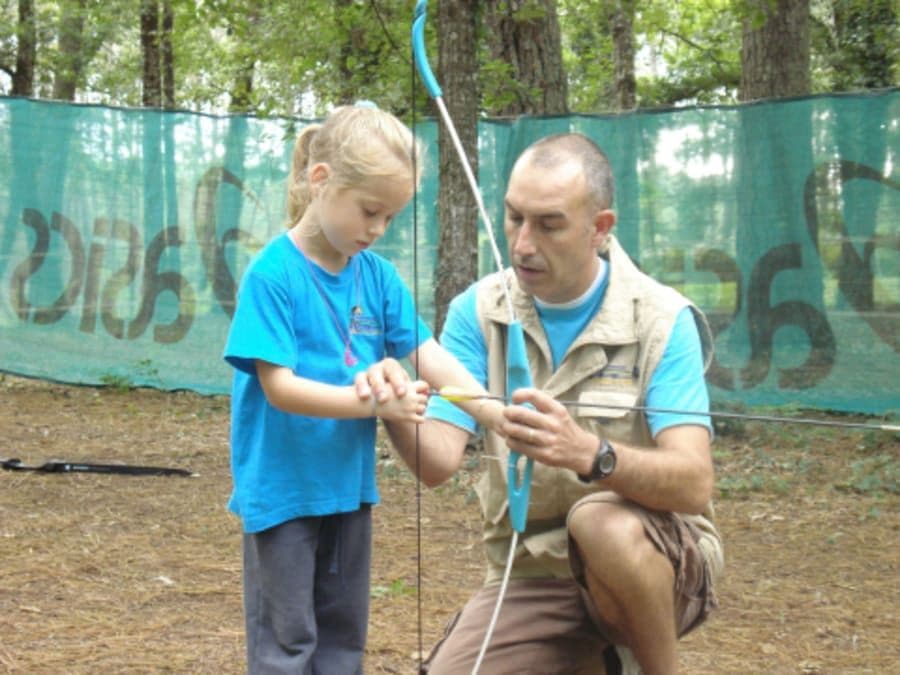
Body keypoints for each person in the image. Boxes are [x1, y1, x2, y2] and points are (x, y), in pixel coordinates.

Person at [376, 132, 723, 675]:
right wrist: (397, 408)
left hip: (658, 565)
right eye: (514, 217)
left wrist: (590, 453)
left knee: (602, 525)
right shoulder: (479, 310)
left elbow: (693, 482)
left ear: (600, 229)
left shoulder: (661, 319)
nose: (522, 243)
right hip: (534, 574)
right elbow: (437, 462)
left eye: (549, 223)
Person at [223, 103, 489, 674]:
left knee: (343, 641)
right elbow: (280, 388)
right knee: (287, 643)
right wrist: (373, 402)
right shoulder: (273, 274)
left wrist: (491, 411)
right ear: (321, 181)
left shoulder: (378, 277)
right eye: (370, 210)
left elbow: (428, 355)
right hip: (283, 495)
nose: (377, 230)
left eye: (391, 218)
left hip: (348, 492)